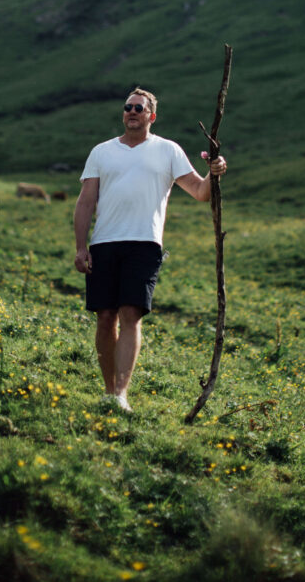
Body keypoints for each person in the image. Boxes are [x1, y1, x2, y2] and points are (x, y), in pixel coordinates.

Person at [74, 87, 227, 411]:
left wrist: (214, 173)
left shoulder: (168, 150)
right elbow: (86, 200)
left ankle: (120, 394)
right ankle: (108, 390)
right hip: (103, 242)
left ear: (151, 116)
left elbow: (200, 192)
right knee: (105, 317)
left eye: (138, 108)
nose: (131, 111)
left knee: (131, 314)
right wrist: (80, 247)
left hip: (145, 243)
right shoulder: (101, 152)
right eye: (127, 107)